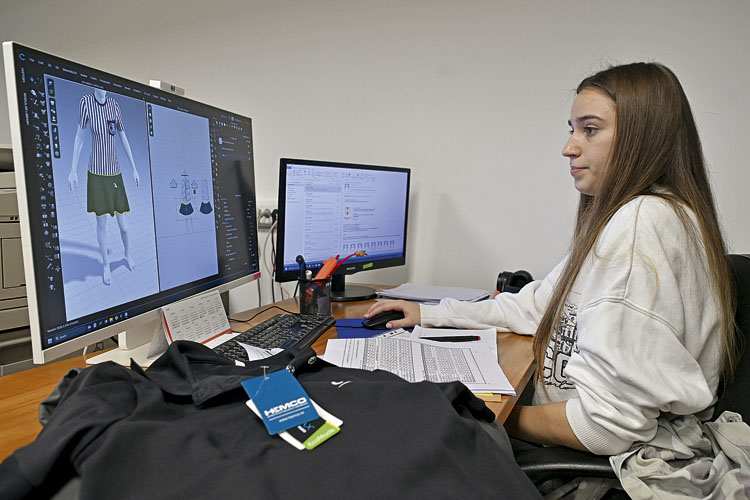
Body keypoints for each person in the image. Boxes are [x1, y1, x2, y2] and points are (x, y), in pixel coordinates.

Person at [365, 62, 737, 456]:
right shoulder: (651, 215)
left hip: (581, 459)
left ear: (642, 138)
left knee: (385, 429)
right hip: (566, 434)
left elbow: (605, 429)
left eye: (589, 130)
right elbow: (535, 308)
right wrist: (430, 314)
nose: (569, 147)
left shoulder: (641, 223)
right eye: (572, 129)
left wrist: (489, 415)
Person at [68, 89, 140, 285]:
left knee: (123, 225)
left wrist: (134, 168)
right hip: (96, 174)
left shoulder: (114, 106)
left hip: (114, 173)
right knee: (101, 224)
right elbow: (80, 136)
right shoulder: (86, 103)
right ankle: (106, 264)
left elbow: (123, 137)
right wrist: (73, 169)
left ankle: (127, 253)